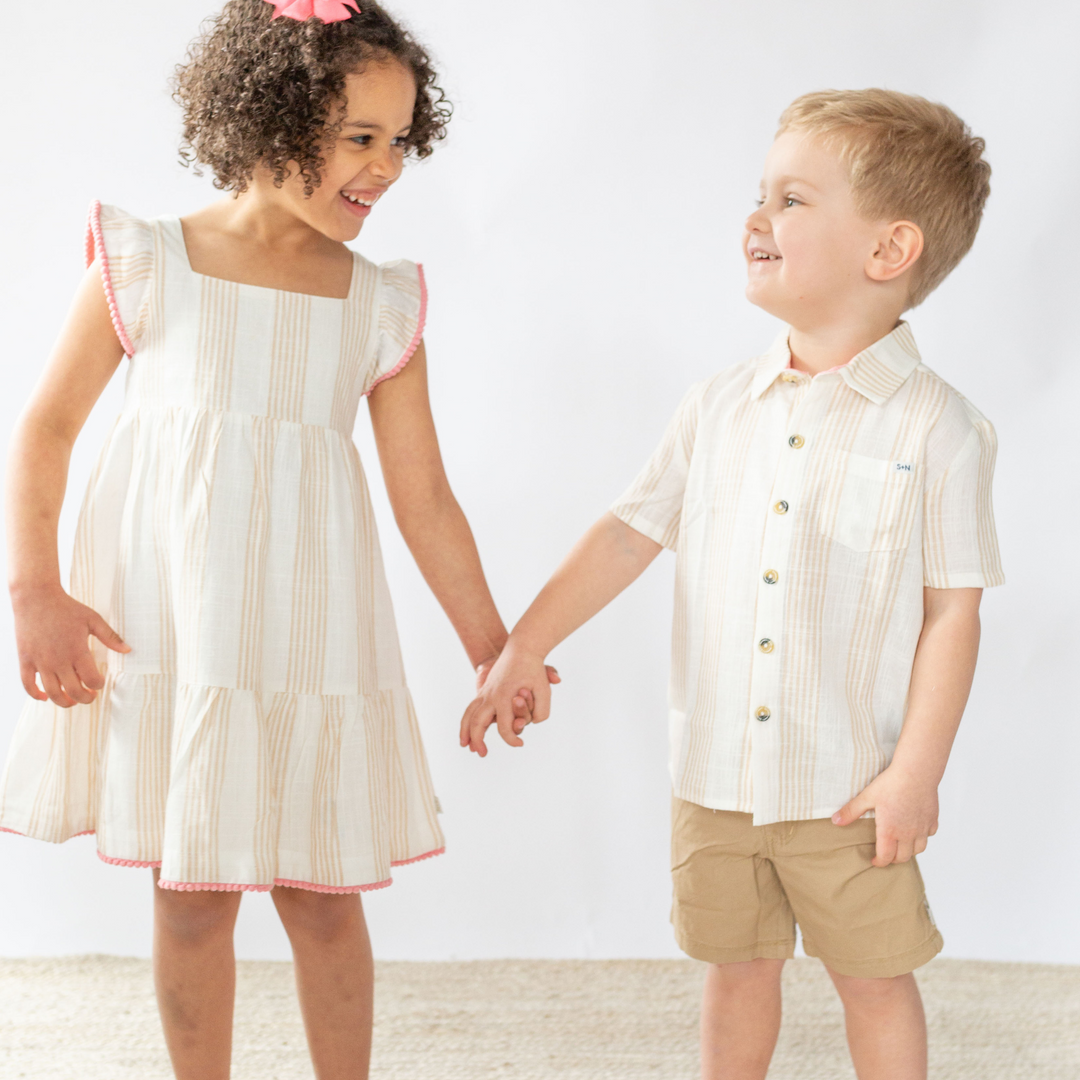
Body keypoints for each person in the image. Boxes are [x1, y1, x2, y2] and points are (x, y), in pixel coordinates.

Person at [0, 2, 546, 1077]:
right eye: (359, 137)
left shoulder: (379, 304)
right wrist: (34, 588)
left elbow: (425, 496)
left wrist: (496, 644)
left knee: (322, 893)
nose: (387, 165)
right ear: (268, 118)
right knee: (193, 901)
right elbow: (46, 430)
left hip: (310, 638)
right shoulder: (149, 261)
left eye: (400, 139)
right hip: (179, 632)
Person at [462, 89, 1003, 1080]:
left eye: (792, 200)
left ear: (888, 251)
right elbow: (629, 535)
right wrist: (526, 643)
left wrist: (915, 770)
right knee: (735, 967)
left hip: (848, 783)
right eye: (759, 193)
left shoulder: (939, 429)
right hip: (714, 774)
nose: (755, 218)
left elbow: (951, 611)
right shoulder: (717, 407)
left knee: (875, 977)